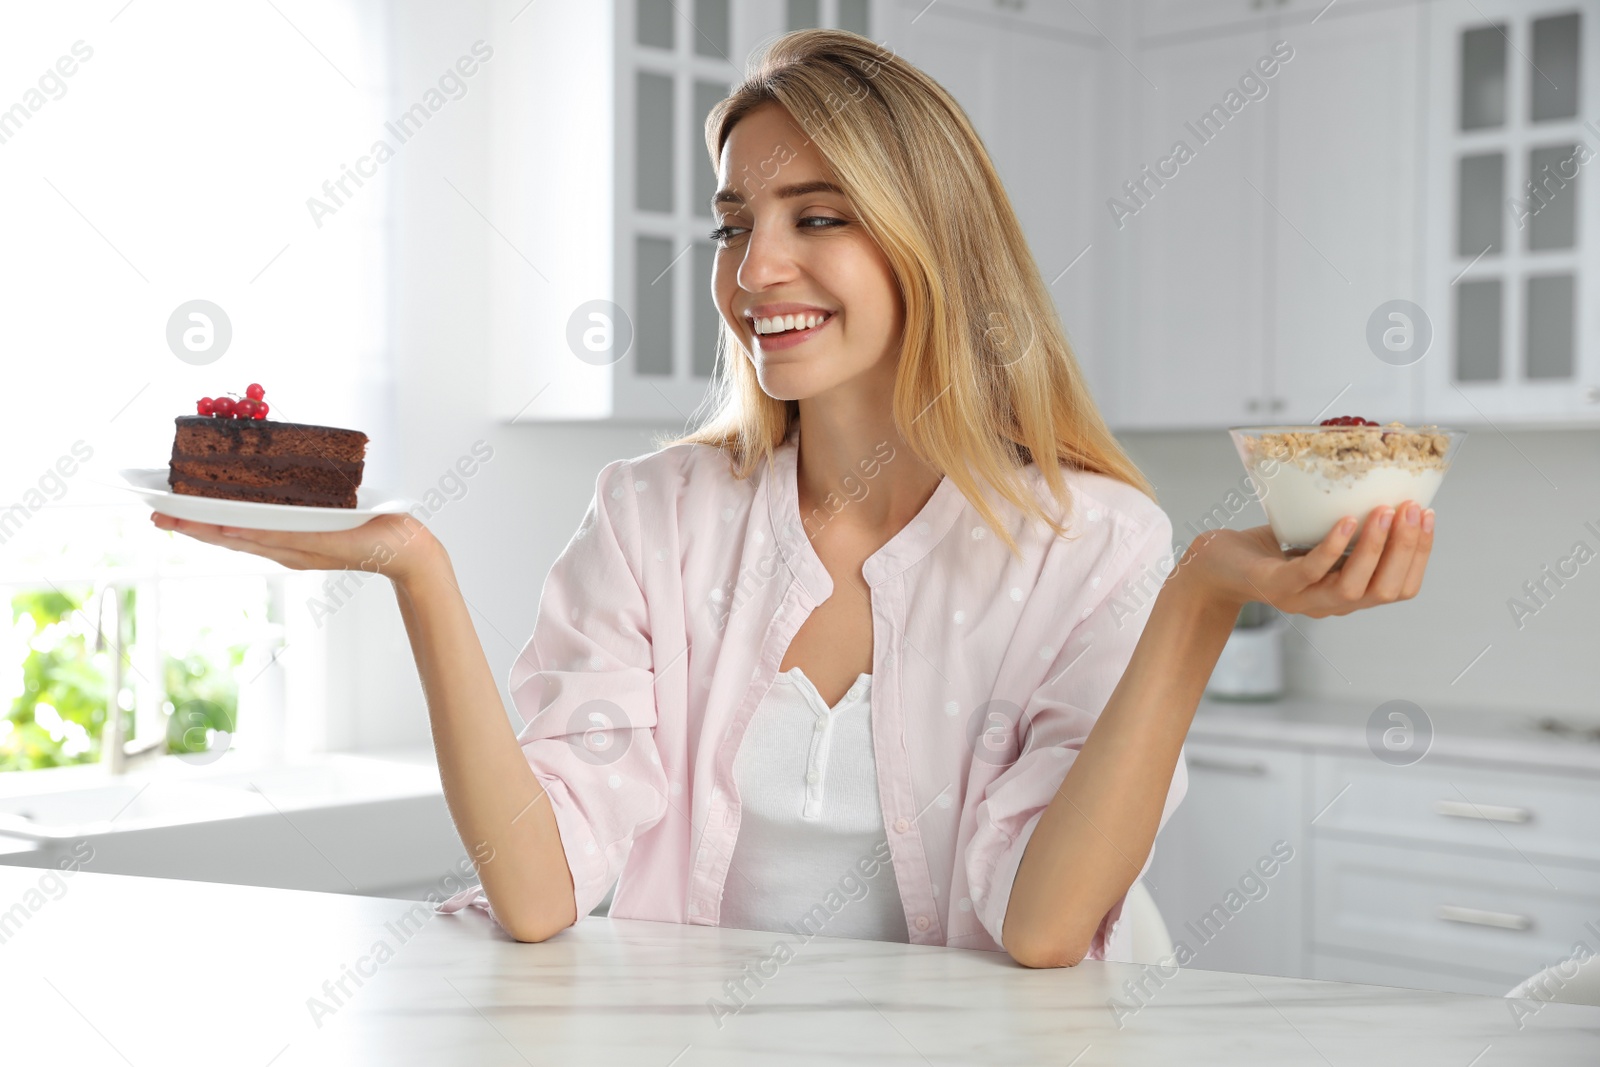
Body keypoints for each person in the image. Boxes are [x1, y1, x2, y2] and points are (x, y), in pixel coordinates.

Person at [151, 30, 1435, 969]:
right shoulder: (652, 516)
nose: (755, 268)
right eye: (733, 224)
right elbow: (540, 897)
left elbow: (1041, 927)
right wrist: (418, 572)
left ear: (933, 242)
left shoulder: (1090, 540)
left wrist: (1202, 595)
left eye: (816, 216)